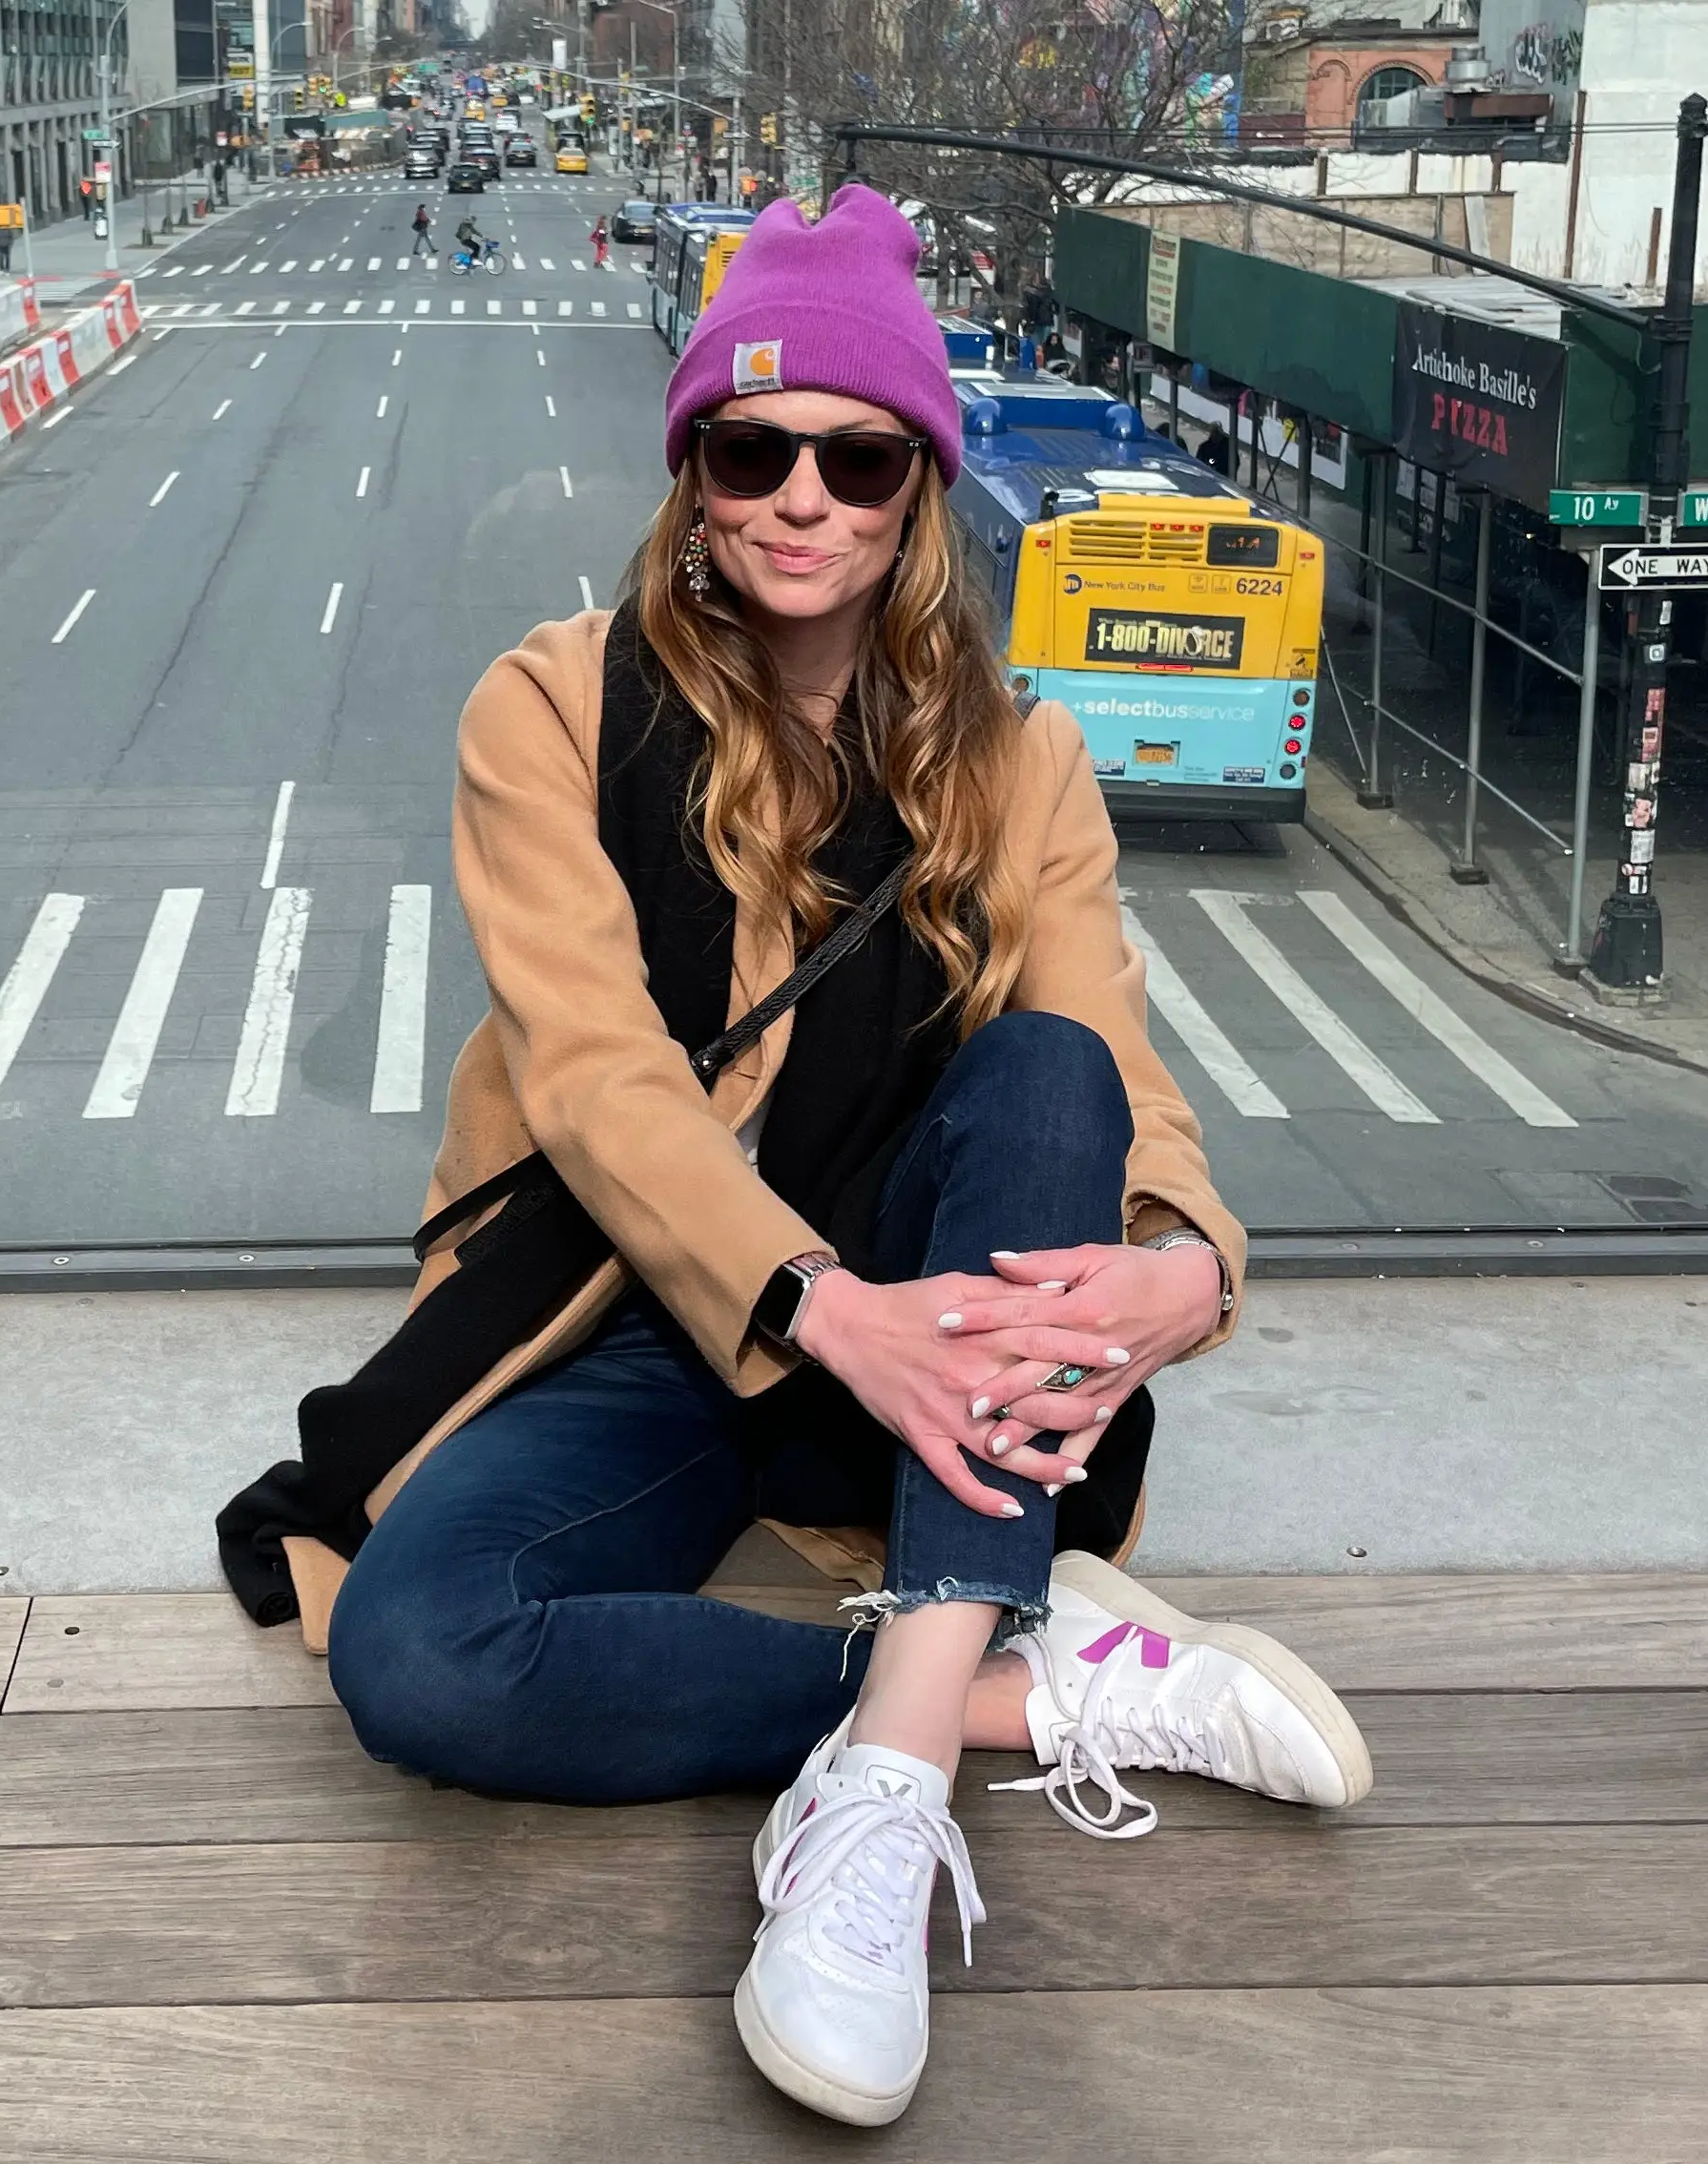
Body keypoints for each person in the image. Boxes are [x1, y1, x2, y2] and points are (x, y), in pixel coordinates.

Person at [222, 188, 1372, 2130]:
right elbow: (595, 1076)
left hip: (930, 1317)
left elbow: (1113, 1072)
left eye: (857, 457)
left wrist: (1189, 1265)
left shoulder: (1020, 762)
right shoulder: (552, 707)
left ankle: (882, 1801)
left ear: (919, 485)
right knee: (416, 1656)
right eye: (751, 451)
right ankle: (1017, 1690)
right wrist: (825, 1311)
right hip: (636, 1312)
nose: (800, 502)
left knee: (1045, 1073)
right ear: (692, 469)